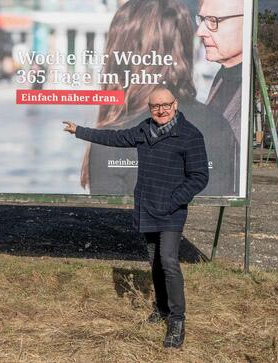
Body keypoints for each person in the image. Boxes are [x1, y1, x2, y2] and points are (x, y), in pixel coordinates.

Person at [64, 86, 209, 348]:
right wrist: (79, 131)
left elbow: (199, 176)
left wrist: (174, 200)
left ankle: (177, 321)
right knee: (154, 261)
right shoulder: (144, 130)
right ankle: (161, 309)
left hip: (172, 211)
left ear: (175, 105)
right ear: (150, 108)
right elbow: (116, 138)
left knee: (168, 260)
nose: (161, 110)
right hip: (147, 207)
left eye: (166, 105)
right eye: (155, 107)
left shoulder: (190, 135)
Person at [82, 0, 237, 196]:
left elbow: (109, 221)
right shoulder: (218, 125)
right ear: (185, 49)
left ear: (120, 54)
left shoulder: (111, 142)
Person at [196, 0, 245, 146]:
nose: (200, 32)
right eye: (202, 20)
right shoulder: (224, 74)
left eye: (212, 20)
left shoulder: (250, 80)